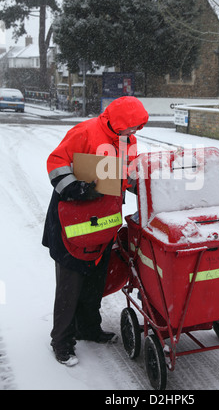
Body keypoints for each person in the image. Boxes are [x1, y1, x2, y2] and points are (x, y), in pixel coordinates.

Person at [42, 96, 148, 366]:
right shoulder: (85, 131)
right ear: (117, 122)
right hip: (72, 220)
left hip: (103, 219)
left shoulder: (129, 140)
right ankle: (62, 341)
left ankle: (88, 328)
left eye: (137, 128)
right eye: (130, 127)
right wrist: (75, 188)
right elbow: (56, 162)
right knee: (70, 286)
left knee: (94, 279)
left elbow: (127, 174)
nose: (134, 133)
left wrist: (144, 185)